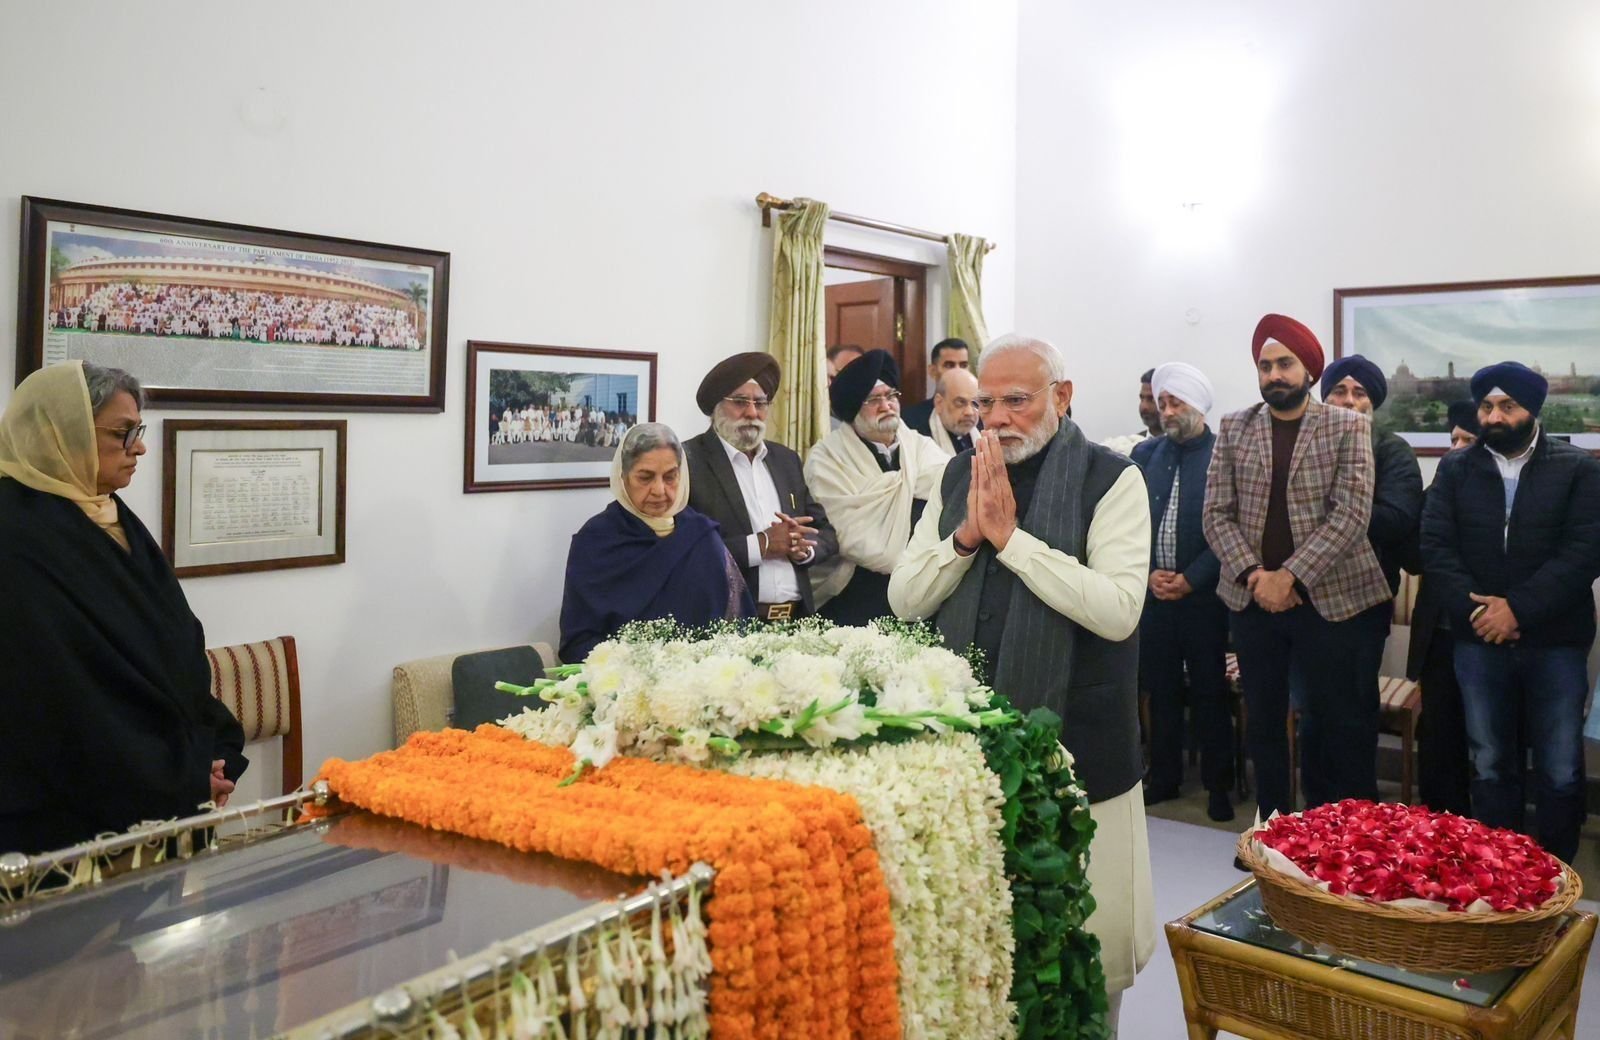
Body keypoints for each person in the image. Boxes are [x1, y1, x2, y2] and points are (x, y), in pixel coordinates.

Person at [889, 334, 1154, 1026]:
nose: (998, 418)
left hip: (1082, 750)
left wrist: (1013, 542)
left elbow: (1118, 611)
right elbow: (905, 599)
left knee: (1088, 954)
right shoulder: (957, 477)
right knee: (986, 951)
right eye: (986, 403)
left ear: (1061, 398)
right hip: (972, 753)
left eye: (1017, 400)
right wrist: (966, 539)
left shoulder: (1113, 479)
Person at [0, 362, 247, 856]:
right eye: (122, 433)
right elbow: (61, 695)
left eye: (138, 431)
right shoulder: (14, 535)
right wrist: (179, 777)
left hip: (162, 785)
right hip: (67, 821)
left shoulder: (108, 510)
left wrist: (211, 751)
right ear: (61, 433)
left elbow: (174, 646)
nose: (139, 448)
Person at [1202, 314, 1390, 826]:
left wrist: (1290, 576)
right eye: (1265, 366)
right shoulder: (1235, 426)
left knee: (1332, 725)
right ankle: (1271, 831)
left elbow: (1351, 513)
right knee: (1264, 722)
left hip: (1329, 600)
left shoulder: (1346, 425)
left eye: (1284, 364)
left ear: (1308, 369)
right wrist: (1255, 575)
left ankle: (1335, 837)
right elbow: (1215, 513)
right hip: (1252, 601)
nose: (1274, 375)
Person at [1420, 362, 1600, 863]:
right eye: (1486, 406)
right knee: (1490, 765)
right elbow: (1436, 547)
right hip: (1478, 641)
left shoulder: (1579, 469)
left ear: (1532, 409)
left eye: (1507, 406)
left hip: (1556, 642)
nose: (1494, 417)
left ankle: (1556, 876)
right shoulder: (1456, 468)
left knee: (1559, 769)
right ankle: (1499, 874)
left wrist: (1517, 609)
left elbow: (1584, 553)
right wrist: (1481, 615)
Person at [1310, 353, 1423, 793]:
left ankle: (1358, 815)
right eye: (1339, 391)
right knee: (1313, 715)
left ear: (1372, 402)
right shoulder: (1306, 449)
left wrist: (1335, 512)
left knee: (1353, 715)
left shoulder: (1392, 451)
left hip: (1362, 604)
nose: (1348, 400)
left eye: (1359, 393)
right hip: (1304, 601)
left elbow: (1398, 518)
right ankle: (1312, 816)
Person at [559, 424, 754, 663]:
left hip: (704, 678)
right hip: (626, 680)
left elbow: (738, 624)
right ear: (623, 477)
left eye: (670, 477)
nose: (660, 490)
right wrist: (638, 667)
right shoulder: (596, 541)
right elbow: (577, 642)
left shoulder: (702, 535)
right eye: (645, 477)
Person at [1136, 362, 1233, 822]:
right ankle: (1164, 777)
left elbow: (1231, 529)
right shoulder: (1144, 454)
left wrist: (1192, 577)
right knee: (1163, 691)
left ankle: (1219, 786)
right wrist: (1149, 573)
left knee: (1211, 693)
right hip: (1154, 598)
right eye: (1163, 403)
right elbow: (1129, 523)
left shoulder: (1223, 454)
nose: (1168, 411)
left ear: (1198, 406)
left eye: (1176, 402)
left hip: (1205, 600)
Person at [684, 352, 838, 621]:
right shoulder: (689, 461)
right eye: (740, 402)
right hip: (730, 623)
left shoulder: (786, 460)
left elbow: (825, 533)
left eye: (760, 403)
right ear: (716, 407)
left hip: (797, 620)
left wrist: (804, 549)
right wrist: (761, 545)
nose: (752, 413)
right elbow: (684, 550)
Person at [806, 350, 948, 625]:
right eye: (873, 400)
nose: (886, 406)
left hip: (923, 588)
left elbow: (950, 501)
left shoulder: (922, 448)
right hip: (855, 590)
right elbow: (848, 533)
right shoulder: (827, 458)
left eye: (891, 395)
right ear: (854, 408)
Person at [901, 337, 972, 435]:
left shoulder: (981, 415)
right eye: (949, 365)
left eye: (963, 365)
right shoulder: (911, 420)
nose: (958, 371)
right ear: (933, 371)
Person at [904, 366, 980, 455]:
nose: (969, 412)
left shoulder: (984, 431)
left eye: (975, 403)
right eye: (960, 402)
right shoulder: (918, 438)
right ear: (939, 403)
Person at [1103, 368, 1163, 456]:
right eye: (1142, 399)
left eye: (1151, 399)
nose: (1144, 407)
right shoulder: (1130, 448)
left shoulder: (1182, 447)